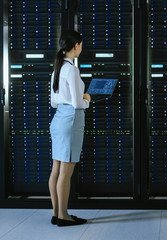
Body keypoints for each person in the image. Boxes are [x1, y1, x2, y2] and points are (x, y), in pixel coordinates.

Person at [48, 30, 91, 227]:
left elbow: (53, 102)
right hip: (71, 121)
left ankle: (57, 213)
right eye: (81, 45)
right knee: (66, 171)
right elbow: (77, 103)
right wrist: (87, 99)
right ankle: (64, 216)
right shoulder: (72, 70)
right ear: (76, 46)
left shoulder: (57, 67)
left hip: (58, 120)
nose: (81, 48)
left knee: (56, 168)